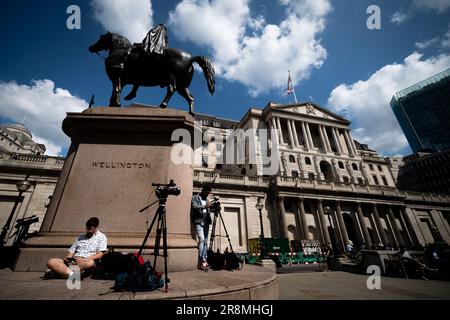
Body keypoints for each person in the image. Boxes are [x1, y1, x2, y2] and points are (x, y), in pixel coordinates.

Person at [191, 185, 213, 271]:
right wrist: (205, 206)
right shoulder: (195, 198)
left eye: (208, 193)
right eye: (206, 193)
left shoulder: (207, 200)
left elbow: (208, 210)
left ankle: (204, 259)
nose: (207, 195)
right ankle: (201, 259)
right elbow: (194, 207)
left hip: (206, 222)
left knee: (205, 241)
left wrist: (212, 207)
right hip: (198, 222)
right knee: (202, 239)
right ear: (203, 191)